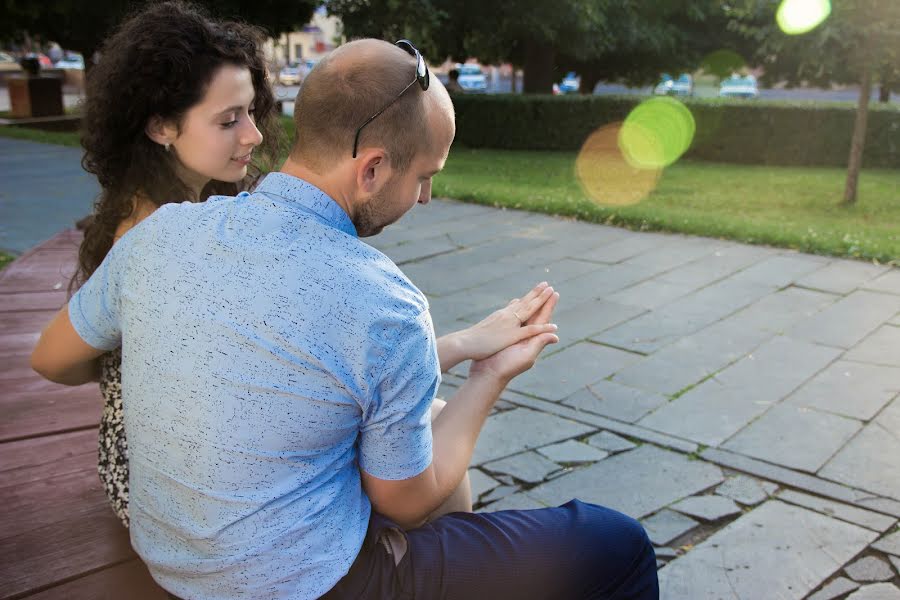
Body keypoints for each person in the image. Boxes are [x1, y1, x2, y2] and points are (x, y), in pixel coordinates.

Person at [32, 38, 658, 599]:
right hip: (310, 583)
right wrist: (488, 376)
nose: (426, 198)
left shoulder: (157, 235)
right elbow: (409, 503)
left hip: (174, 564)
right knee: (617, 543)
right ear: (373, 168)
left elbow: (51, 358)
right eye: (424, 177)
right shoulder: (383, 301)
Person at [71, 1, 283, 527]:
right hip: (164, 478)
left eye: (252, 111)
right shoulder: (152, 233)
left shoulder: (164, 206)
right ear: (162, 126)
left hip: (176, 459)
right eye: (229, 119)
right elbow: (54, 359)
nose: (253, 135)